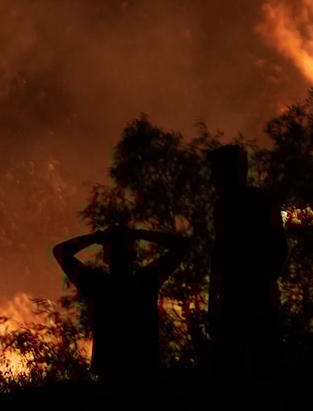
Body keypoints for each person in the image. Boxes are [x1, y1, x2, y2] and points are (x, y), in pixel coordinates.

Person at [52, 226, 190, 383]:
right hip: (145, 370)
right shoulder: (145, 281)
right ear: (134, 255)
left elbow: (60, 252)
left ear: (106, 257)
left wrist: (96, 238)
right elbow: (182, 245)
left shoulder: (97, 285)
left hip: (110, 373)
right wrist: (139, 234)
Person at [206, 144, 289, 386]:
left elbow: (221, 255)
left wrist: (257, 284)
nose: (213, 178)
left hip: (246, 300)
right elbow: (220, 255)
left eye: (216, 171)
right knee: (260, 366)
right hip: (246, 299)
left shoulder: (238, 205)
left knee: (245, 369)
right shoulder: (230, 205)